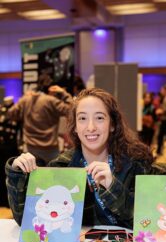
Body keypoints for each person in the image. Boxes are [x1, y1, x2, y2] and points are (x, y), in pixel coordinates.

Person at [6, 88, 154, 229]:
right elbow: (28, 221)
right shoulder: (62, 167)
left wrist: (112, 186)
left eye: (99, 118)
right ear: (75, 126)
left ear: (112, 125)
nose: (91, 127)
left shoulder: (135, 163)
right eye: (82, 118)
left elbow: (149, 220)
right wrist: (16, 174)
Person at [7, 85, 72, 166]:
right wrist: (64, 93)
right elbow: (71, 110)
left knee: (32, 177)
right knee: (53, 177)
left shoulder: (26, 100)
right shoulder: (51, 100)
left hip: (31, 148)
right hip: (50, 148)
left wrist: (22, 99)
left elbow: (10, 113)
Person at [0, 96, 20, 207]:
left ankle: (9, 201)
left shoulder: (17, 111)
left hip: (12, 148)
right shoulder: (1, 109)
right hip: (1, 148)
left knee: (10, 174)